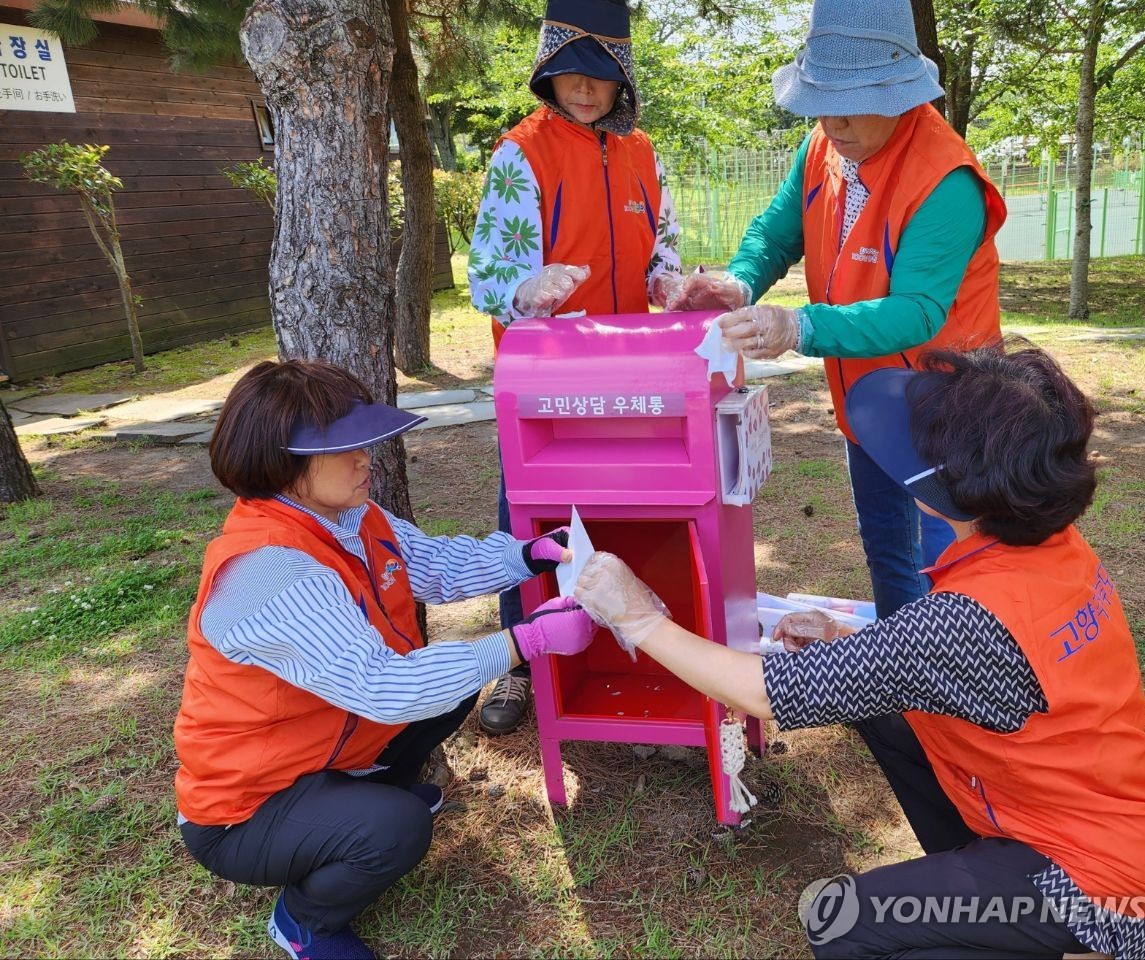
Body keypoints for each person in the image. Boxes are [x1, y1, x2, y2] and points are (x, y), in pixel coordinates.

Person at [576, 344, 1145, 959]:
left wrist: (638, 619)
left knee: (841, 923)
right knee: (879, 706)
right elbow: (968, 668)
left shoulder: (966, 621)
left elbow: (758, 692)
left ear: (956, 489)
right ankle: (985, 879)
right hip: (1110, 814)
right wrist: (841, 643)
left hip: (1099, 886)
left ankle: (1076, 946)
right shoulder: (1057, 546)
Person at [173, 360, 597, 960]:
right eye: (345, 447)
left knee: (447, 692)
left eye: (365, 440)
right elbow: (381, 686)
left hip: (321, 749)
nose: (366, 457)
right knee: (399, 829)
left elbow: (436, 565)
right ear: (284, 461)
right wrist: (523, 642)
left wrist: (528, 555)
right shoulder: (267, 570)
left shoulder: (353, 516)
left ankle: (363, 795)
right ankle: (304, 920)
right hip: (246, 807)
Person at [670, 0, 1007, 624]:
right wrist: (740, 285)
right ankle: (901, 689)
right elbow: (776, 233)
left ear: (898, 93)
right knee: (887, 551)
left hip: (946, 405)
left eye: (851, 100)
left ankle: (945, 705)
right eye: (820, 99)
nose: (832, 119)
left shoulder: (946, 179)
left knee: (952, 563)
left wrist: (800, 326)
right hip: (867, 398)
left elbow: (918, 312)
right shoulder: (824, 144)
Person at [468, 0, 685, 735]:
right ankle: (516, 668)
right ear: (547, 76)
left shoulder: (642, 154)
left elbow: (664, 245)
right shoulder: (520, 153)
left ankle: (626, 648)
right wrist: (524, 292)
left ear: (621, 80)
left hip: (627, 374)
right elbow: (488, 275)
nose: (584, 90)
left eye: (599, 76)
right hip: (543, 381)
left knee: (624, 509)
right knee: (528, 520)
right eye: (569, 75)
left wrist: (668, 283)